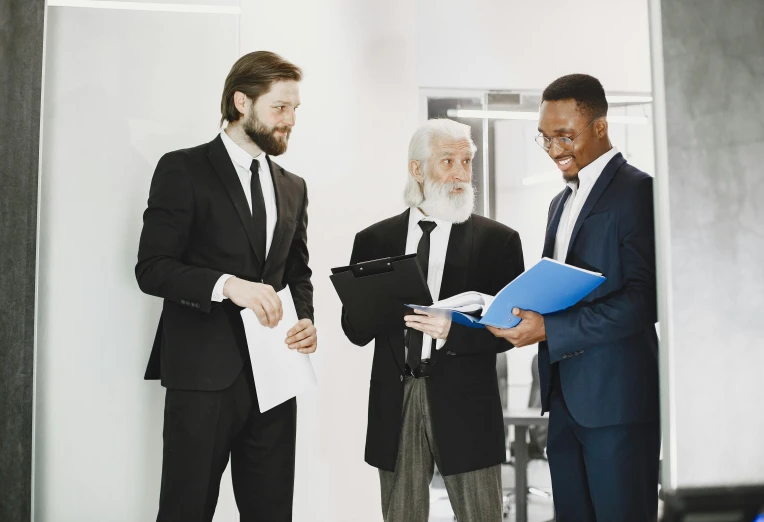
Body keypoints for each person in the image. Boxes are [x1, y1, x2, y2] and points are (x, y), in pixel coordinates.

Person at [135, 50, 315, 522]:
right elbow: (151, 267)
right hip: (201, 377)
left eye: (295, 108)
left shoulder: (293, 185)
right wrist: (227, 284)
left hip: (276, 377)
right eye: (280, 107)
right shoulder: (182, 169)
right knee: (186, 510)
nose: (291, 119)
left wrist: (307, 321)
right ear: (241, 102)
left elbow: (297, 274)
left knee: (272, 512)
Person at [487, 74, 660, 521]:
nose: (555, 149)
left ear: (600, 126)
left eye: (566, 136)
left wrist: (551, 328)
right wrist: (518, 314)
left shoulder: (638, 191)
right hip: (563, 400)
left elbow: (646, 299)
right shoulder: (560, 203)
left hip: (618, 404)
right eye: (545, 138)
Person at [342, 119, 525, 522]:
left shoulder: (499, 242)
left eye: (466, 161)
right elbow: (355, 331)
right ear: (417, 169)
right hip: (396, 401)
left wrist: (454, 331)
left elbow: (512, 332)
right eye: (447, 161)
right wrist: (380, 303)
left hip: (467, 405)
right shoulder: (372, 241)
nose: (461, 173)